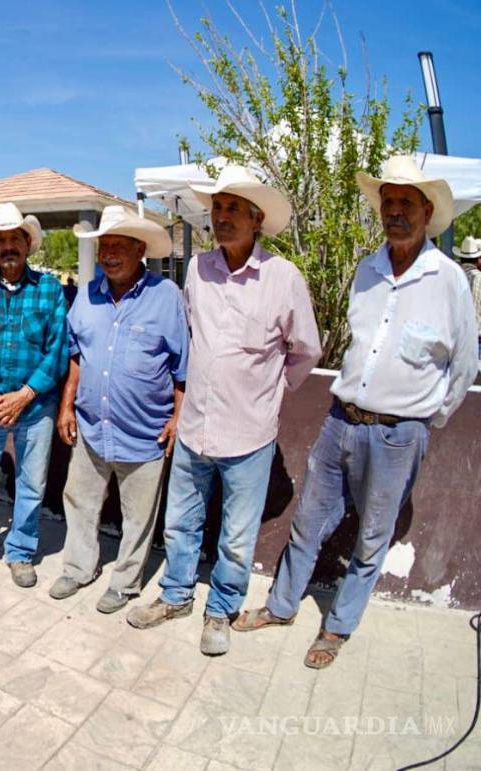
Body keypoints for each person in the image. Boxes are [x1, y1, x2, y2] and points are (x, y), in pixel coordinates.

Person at [234, 155, 479, 668]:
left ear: (426, 210)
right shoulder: (367, 269)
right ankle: (281, 608)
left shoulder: (447, 279)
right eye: (387, 201)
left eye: (404, 202)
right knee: (307, 522)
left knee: (371, 538)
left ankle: (338, 627)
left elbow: (463, 365)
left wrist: (425, 422)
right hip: (340, 421)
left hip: (398, 436)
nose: (394, 211)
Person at [127, 165, 322, 657]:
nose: (223, 216)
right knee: (180, 522)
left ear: (257, 219)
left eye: (234, 208)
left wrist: (271, 391)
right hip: (195, 426)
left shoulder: (283, 278)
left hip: (250, 433)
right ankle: (175, 596)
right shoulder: (198, 269)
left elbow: (306, 351)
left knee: (236, 534)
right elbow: (194, 336)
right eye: (218, 207)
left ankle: (221, 611)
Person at [51, 205, 189, 613]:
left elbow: (183, 366)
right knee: (78, 502)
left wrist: (177, 418)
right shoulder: (88, 293)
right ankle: (78, 568)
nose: (108, 254)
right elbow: (76, 354)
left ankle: (125, 583)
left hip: (145, 432)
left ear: (140, 249)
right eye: (104, 246)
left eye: (118, 246)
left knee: (139, 517)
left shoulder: (166, 297)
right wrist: (67, 407)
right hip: (92, 427)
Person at [0, 202, 67, 588]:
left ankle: (20, 551)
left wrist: (24, 395)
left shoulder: (50, 290)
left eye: (14, 239)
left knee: (32, 483)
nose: (8, 247)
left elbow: (58, 350)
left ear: (27, 243)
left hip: (35, 407)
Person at [452, 235, 481, 358]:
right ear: (478, 260)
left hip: (456, 337)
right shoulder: (479, 278)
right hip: (477, 337)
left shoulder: (452, 276)